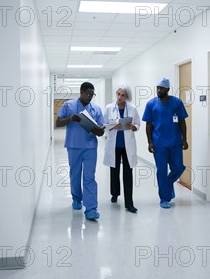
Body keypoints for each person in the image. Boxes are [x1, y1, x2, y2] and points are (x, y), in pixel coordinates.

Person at [56, 82, 105, 221]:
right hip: (74, 146)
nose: (90, 97)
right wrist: (71, 119)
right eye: (88, 94)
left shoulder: (96, 109)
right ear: (81, 92)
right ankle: (77, 198)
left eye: (92, 95)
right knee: (75, 174)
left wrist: (98, 130)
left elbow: (101, 131)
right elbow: (58, 122)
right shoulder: (68, 106)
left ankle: (91, 209)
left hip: (90, 147)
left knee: (89, 177)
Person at [142, 78, 188, 209]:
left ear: (167, 89)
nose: (158, 90)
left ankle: (167, 185)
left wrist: (184, 139)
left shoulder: (177, 103)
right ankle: (164, 198)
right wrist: (150, 142)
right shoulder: (151, 104)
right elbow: (148, 125)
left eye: (161, 88)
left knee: (179, 167)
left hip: (175, 143)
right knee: (161, 171)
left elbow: (182, 122)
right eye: (157, 88)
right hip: (159, 143)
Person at [103, 85, 140, 213]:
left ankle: (129, 203)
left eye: (122, 95)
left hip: (127, 146)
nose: (119, 97)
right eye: (118, 94)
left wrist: (132, 127)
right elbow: (104, 125)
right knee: (114, 170)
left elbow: (138, 125)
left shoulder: (132, 108)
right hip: (114, 145)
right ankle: (115, 193)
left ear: (127, 96)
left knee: (128, 174)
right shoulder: (109, 108)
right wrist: (114, 126)